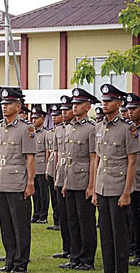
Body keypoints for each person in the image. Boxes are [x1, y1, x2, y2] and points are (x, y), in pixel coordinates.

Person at [94, 84, 138, 273]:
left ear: (119, 103)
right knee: (105, 234)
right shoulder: (99, 127)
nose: (105, 104)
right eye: (103, 101)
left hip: (119, 188)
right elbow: (98, 159)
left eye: (109, 101)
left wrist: (127, 192)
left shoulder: (128, 129)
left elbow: (132, 163)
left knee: (120, 234)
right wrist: (95, 189)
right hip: (103, 187)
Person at [0, 87, 36, 273]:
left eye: (9, 104)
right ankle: (9, 260)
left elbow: (30, 158)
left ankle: (20, 263)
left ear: (18, 106)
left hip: (18, 182)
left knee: (20, 226)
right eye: (3, 104)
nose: (5, 107)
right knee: (6, 226)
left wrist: (30, 183)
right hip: (2, 181)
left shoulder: (26, 129)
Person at [58, 88, 99, 270]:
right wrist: (66, 181)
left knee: (86, 222)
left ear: (87, 106)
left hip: (84, 181)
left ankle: (87, 258)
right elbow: (68, 158)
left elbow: (93, 158)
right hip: (71, 179)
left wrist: (91, 185)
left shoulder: (91, 129)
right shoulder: (69, 128)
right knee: (71, 220)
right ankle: (74, 256)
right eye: (73, 104)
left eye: (78, 104)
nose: (74, 107)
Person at [51, 96, 75, 261]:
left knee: (75, 218)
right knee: (64, 216)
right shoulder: (59, 130)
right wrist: (54, 175)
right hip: (61, 175)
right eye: (62, 111)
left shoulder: (80, 129)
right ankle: (67, 248)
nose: (64, 113)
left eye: (67, 110)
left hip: (75, 176)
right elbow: (57, 155)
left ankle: (78, 251)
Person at [125, 92, 140, 266]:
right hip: (132, 182)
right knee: (134, 219)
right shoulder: (129, 130)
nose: (130, 112)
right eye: (128, 109)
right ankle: (136, 251)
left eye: (134, 108)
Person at [30, 106, 50, 225]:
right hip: (33, 167)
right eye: (33, 118)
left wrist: (47, 167)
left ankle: (43, 215)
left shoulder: (46, 133)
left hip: (42, 166)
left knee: (43, 193)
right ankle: (36, 214)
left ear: (42, 119)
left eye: (36, 118)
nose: (34, 120)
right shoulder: (30, 132)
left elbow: (48, 151)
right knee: (35, 193)